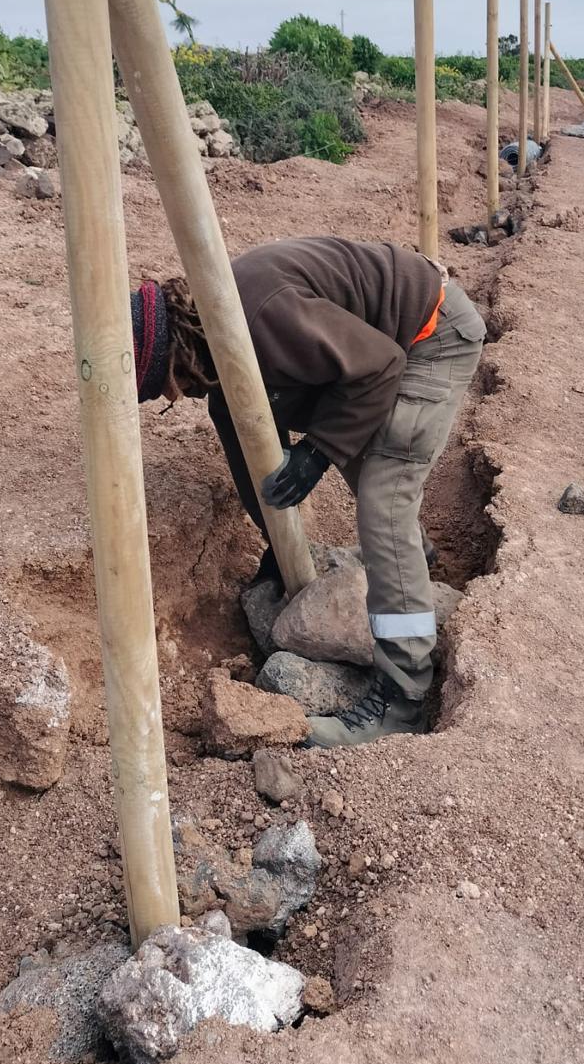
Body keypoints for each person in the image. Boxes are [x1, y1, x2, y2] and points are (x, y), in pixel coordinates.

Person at [131, 236, 485, 747]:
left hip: (429, 335)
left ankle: (404, 698)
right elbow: (255, 456)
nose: (172, 396)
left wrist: (318, 451)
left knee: (384, 504)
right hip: (375, 345)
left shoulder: (262, 319)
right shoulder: (223, 349)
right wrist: (278, 543)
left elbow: (381, 364)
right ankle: (416, 566)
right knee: (366, 461)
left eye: (166, 384)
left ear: (178, 349)